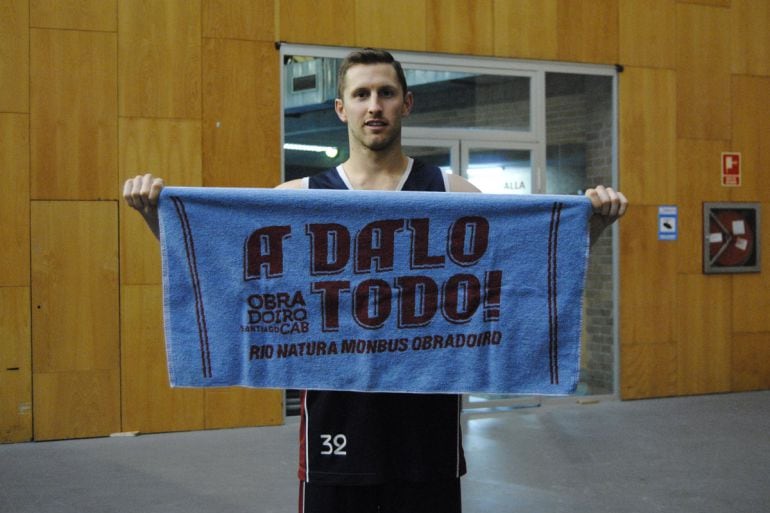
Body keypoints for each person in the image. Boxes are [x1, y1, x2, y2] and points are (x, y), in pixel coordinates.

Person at [124, 48, 628, 513]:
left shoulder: (452, 193)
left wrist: (596, 225)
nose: (374, 106)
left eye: (386, 93)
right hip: (336, 426)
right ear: (340, 108)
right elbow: (224, 275)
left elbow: (526, 280)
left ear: (405, 103)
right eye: (360, 94)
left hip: (426, 432)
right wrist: (156, 216)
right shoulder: (299, 197)